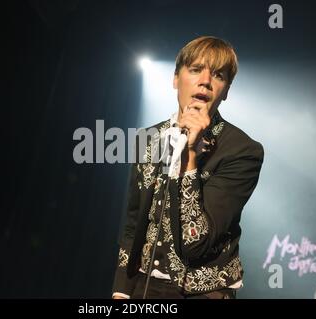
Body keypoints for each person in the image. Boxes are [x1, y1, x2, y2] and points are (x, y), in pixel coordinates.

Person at [112, 36, 264, 299]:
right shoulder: (148, 139)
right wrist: (121, 290)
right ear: (175, 79)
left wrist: (190, 156)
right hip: (143, 285)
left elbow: (195, 245)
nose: (205, 80)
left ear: (226, 90)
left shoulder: (243, 151)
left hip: (203, 291)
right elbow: (134, 222)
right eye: (195, 70)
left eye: (218, 75)